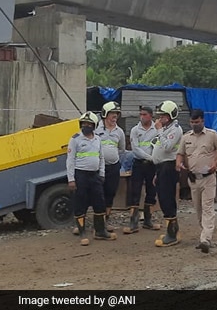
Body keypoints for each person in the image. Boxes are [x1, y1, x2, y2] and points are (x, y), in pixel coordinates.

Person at [176, 109, 217, 254]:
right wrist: (179, 163)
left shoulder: (212, 135)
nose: (194, 125)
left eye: (197, 122)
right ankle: (204, 234)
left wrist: (215, 164)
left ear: (203, 121)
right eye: (192, 122)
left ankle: (206, 239)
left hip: (208, 178)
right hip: (193, 178)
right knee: (198, 209)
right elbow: (180, 154)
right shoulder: (186, 137)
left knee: (207, 207)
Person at [67, 111, 116, 246]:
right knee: (80, 202)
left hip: (95, 176)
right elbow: (70, 161)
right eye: (84, 124)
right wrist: (71, 179)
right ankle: (82, 233)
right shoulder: (75, 139)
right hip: (80, 175)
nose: (86, 126)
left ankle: (100, 231)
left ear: (94, 125)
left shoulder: (98, 139)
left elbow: (101, 158)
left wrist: (102, 174)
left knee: (99, 202)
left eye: (89, 124)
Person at [151, 100, 183, 247]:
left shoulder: (175, 129)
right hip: (161, 167)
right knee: (162, 198)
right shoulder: (165, 129)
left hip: (169, 167)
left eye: (163, 116)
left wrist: (158, 130)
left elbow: (167, 147)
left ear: (170, 116)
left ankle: (172, 234)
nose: (159, 119)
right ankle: (173, 230)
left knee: (167, 198)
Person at [123, 106, 160, 234]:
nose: (142, 116)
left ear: (151, 115)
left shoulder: (157, 129)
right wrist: (150, 157)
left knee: (151, 191)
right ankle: (133, 222)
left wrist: (155, 158)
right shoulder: (135, 130)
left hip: (152, 165)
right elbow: (136, 149)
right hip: (139, 163)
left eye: (145, 114)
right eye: (141, 114)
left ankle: (148, 220)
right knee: (135, 191)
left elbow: (159, 144)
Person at [95, 101, 126, 232]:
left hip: (113, 167)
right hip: (98, 168)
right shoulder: (96, 130)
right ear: (105, 114)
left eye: (117, 114)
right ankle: (97, 224)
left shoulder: (120, 132)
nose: (115, 116)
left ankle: (105, 222)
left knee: (110, 193)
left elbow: (122, 149)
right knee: (98, 195)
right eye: (113, 114)